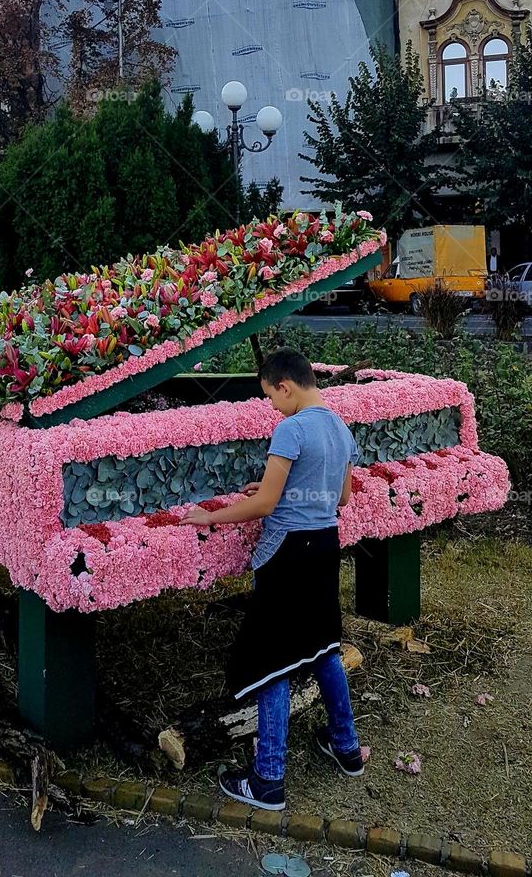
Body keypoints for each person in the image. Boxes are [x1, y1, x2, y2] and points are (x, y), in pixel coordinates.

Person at [181, 348, 364, 811]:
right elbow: (340, 497)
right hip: (325, 546)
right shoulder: (340, 428)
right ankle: (345, 747)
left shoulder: (291, 429)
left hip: (287, 554)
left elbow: (265, 507)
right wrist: (275, 490)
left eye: (270, 396)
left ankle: (268, 778)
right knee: (323, 646)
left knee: (272, 659)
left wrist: (210, 516)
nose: (272, 407)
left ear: (284, 385)